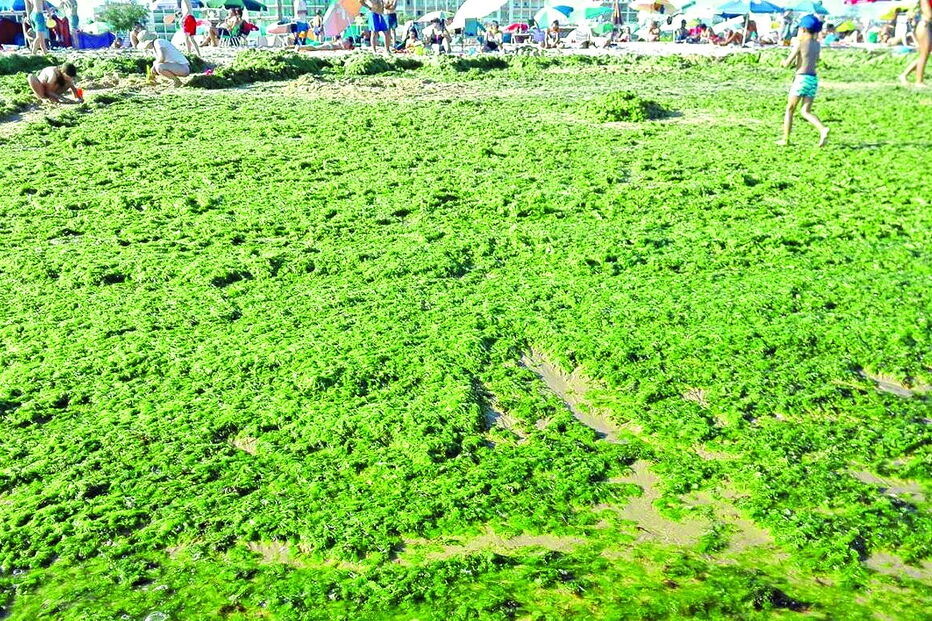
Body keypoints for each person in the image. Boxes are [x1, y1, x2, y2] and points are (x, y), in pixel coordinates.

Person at [778, 15, 829, 147]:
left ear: (803, 29)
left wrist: (783, 63)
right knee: (805, 111)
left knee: (790, 109)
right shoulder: (817, 45)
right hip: (813, 79)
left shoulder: (800, 43)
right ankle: (822, 128)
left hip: (801, 78)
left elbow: (788, 63)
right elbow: (814, 60)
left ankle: (785, 139)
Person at [899, 0, 931, 86]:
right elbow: (928, 14)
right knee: (924, 54)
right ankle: (919, 81)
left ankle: (904, 75)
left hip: (928, 26)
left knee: (925, 54)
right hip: (924, 26)